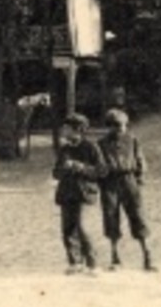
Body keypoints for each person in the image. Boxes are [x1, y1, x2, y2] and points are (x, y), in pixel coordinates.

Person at [96, 108, 154, 271]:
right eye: (116, 125)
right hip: (110, 183)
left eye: (123, 125)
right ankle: (115, 258)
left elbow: (140, 159)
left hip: (129, 180)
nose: (121, 128)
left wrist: (139, 178)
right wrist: (102, 176)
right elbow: (97, 166)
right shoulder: (101, 144)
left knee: (138, 216)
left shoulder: (132, 140)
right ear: (110, 126)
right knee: (111, 217)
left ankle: (147, 256)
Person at [53, 113, 104, 275]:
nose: (63, 131)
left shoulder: (91, 147)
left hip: (84, 193)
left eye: (66, 128)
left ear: (78, 130)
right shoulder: (64, 149)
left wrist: (80, 167)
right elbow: (55, 173)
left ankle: (93, 264)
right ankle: (75, 262)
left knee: (82, 227)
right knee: (68, 228)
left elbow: (102, 171)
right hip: (66, 193)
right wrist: (63, 169)